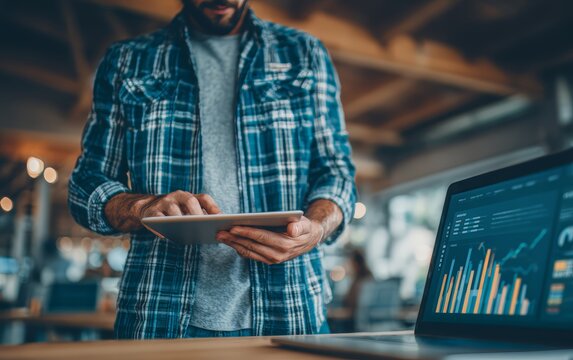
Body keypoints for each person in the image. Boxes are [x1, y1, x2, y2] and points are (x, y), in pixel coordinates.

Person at [68, 0, 356, 339]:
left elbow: (337, 173)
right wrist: (141, 207)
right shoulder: (126, 61)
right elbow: (86, 184)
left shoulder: (305, 53)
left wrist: (317, 229)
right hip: (159, 315)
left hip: (292, 311)